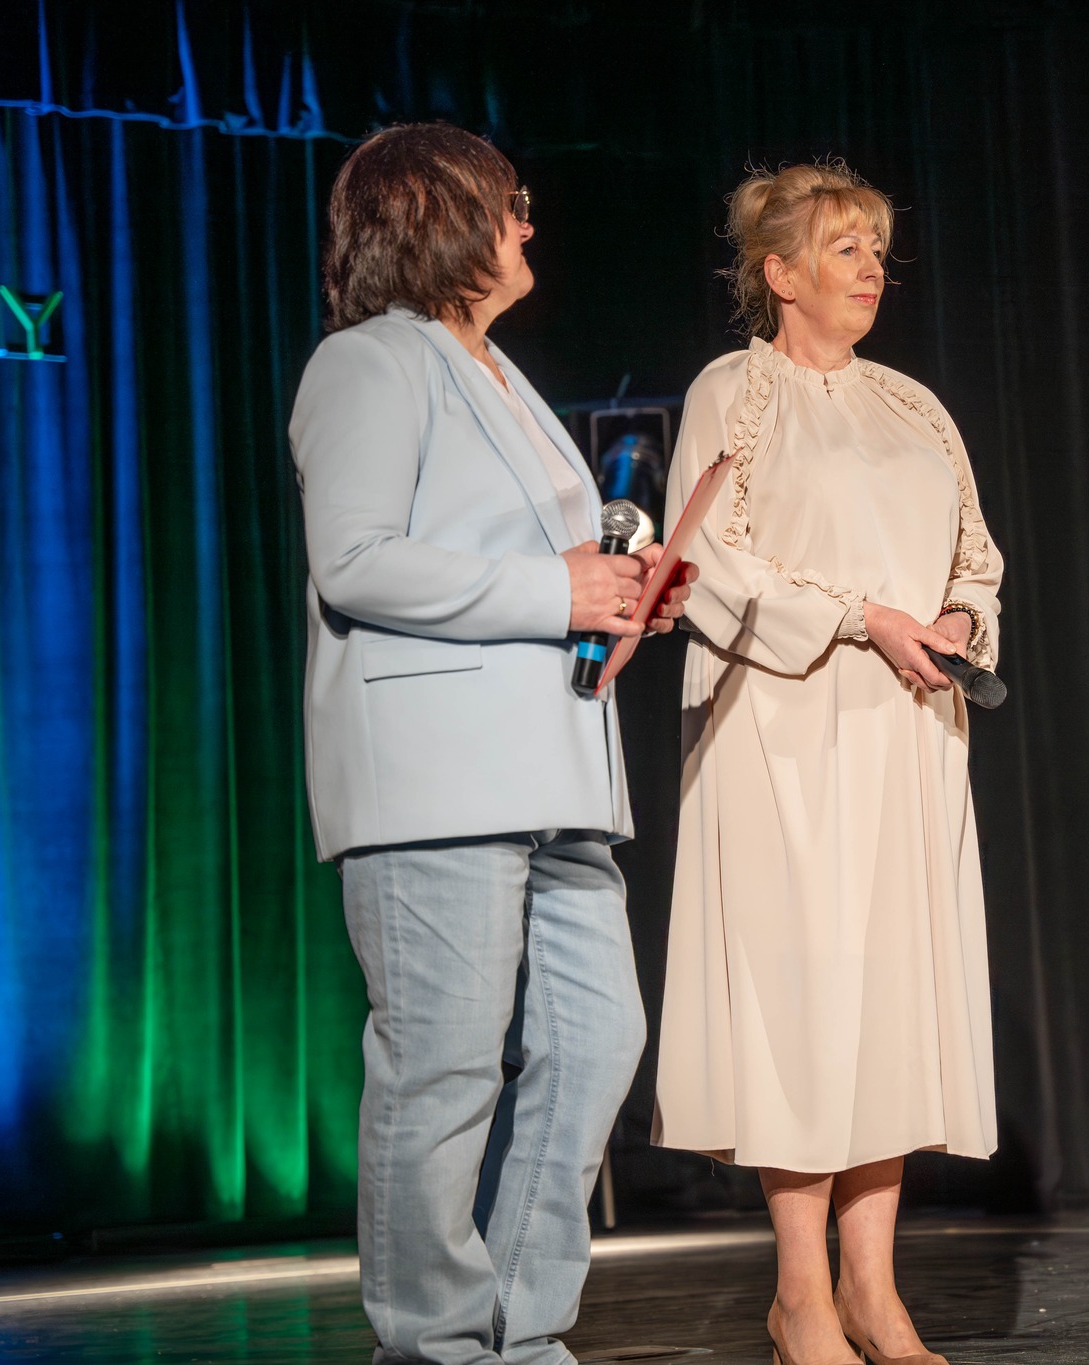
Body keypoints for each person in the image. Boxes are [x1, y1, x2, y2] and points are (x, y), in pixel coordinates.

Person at [289, 122, 692, 1365]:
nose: (527, 224)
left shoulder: (497, 374)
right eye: (508, 203)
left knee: (596, 1040)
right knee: (444, 1070)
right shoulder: (367, 362)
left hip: (552, 773)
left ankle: (517, 1336)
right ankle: (433, 1344)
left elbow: (534, 564)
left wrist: (617, 598)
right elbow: (355, 562)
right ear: (436, 216)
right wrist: (555, 588)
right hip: (437, 781)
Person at [651, 162, 1004, 1365]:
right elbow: (710, 564)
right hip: (784, 727)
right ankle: (800, 1294)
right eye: (843, 248)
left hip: (906, 728)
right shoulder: (731, 393)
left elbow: (975, 555)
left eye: (875, 249)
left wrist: (955, 619)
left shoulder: (912, 405)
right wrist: (862, 617)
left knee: (888, 997)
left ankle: (873, 1291)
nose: (870, 270)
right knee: (801, 1001)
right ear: (780, 273)